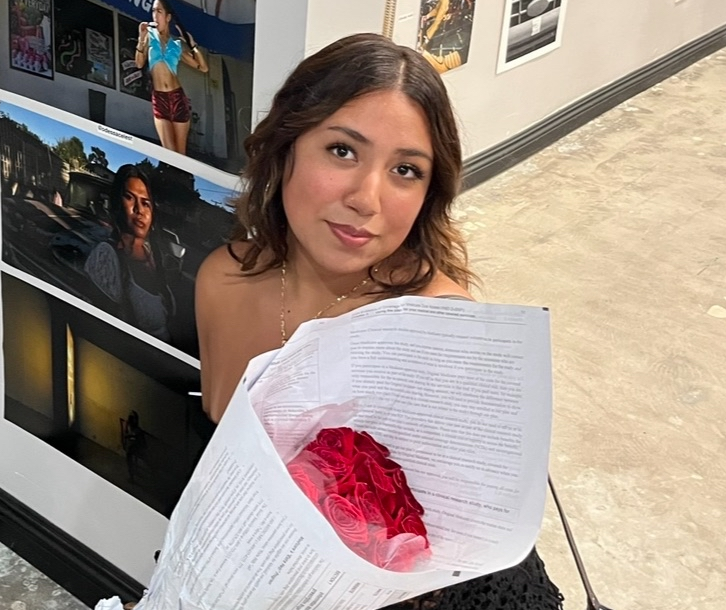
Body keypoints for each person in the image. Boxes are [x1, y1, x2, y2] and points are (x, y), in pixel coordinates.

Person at [193, 33, 564, 609]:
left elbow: (431, 569)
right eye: (343, 150)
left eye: (406, 170)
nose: (367, 198)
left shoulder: (438, 332)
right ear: (286, 146)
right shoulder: (222, 281)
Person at [85, 164, 174, 343]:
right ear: (118, 203)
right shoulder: (106, 256)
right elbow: (102, 333)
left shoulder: (153, 254)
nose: (139, 210)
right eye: (129, 198)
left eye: (146, 203)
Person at [135, 0, 209, 155]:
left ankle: (182, 178)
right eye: (153, 11)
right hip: (159, 98)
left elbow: (203, 67)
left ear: (168, 17)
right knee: (169, 152)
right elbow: (139, 64)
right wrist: (141, 39)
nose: (155, 15)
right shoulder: (149, 36)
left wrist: (193, 45)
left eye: (159, 11)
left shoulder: (176, 44)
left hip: (177, 98)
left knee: (180, 154)